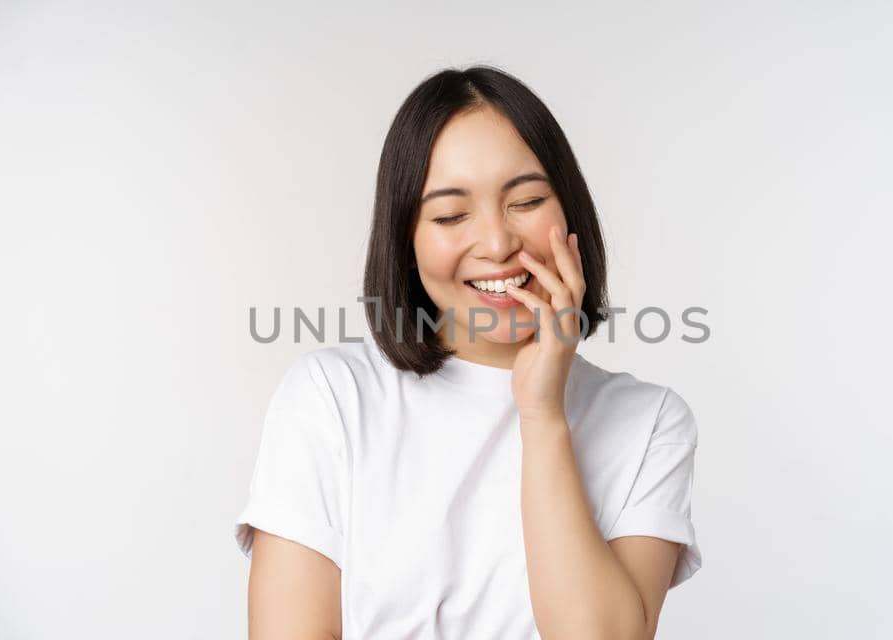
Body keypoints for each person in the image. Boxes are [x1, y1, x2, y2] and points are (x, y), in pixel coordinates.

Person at [233, 65, 701, 639]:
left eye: (526, 201)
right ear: (406, 240)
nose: (499, 244)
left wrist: (542, 415)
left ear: (569, 213)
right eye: (452, 214)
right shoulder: (331, 397)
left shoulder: (650, 422)